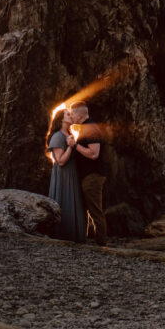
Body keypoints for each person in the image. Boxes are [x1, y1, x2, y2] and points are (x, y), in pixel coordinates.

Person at [45, 108, 87, 242]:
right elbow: (61, 161)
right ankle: (63, 236)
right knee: (65, 202)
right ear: (61, 119)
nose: (71, 115)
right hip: (63, 177)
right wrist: (70, 146)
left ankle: (75, 237)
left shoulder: (67, 135)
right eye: (68, 114)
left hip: (71, 176)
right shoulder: (57, 136)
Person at [69, 101, 107, 246]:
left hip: (93, 176)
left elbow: (94, 154)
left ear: (79, 115)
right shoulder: (85, 128)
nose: (71, 116)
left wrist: (75, 145)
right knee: (89, 210)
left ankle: (101, 244)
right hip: (88, 176)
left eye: (72, 114)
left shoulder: (90, 128)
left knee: (95, 211)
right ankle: (89, 239)